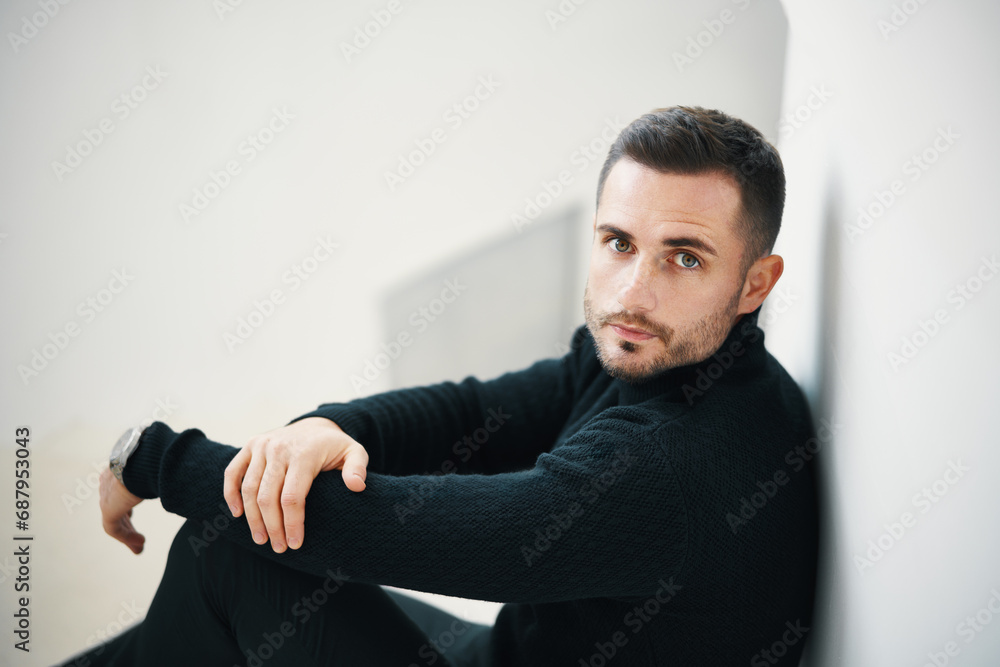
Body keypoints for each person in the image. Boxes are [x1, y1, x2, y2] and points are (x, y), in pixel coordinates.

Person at [57, 106, 819, 667]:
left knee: (229, 545)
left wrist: (152, 460)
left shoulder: (676, 464)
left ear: (756, 281)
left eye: (684, 257)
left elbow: (400, 532)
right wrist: (326, 428)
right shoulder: (654, 350)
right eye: (618, 242)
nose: (632, 291)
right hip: (505, 656)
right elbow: (475, 412)